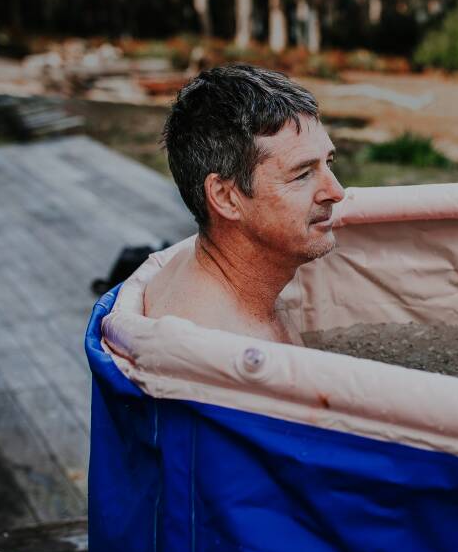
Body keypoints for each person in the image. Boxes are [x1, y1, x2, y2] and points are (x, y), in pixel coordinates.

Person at [143, 65, 345, 344]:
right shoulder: (216, 346)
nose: (336, 192)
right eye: (302, 174)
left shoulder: (223, 282)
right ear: (226, 197)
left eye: (328, 163)